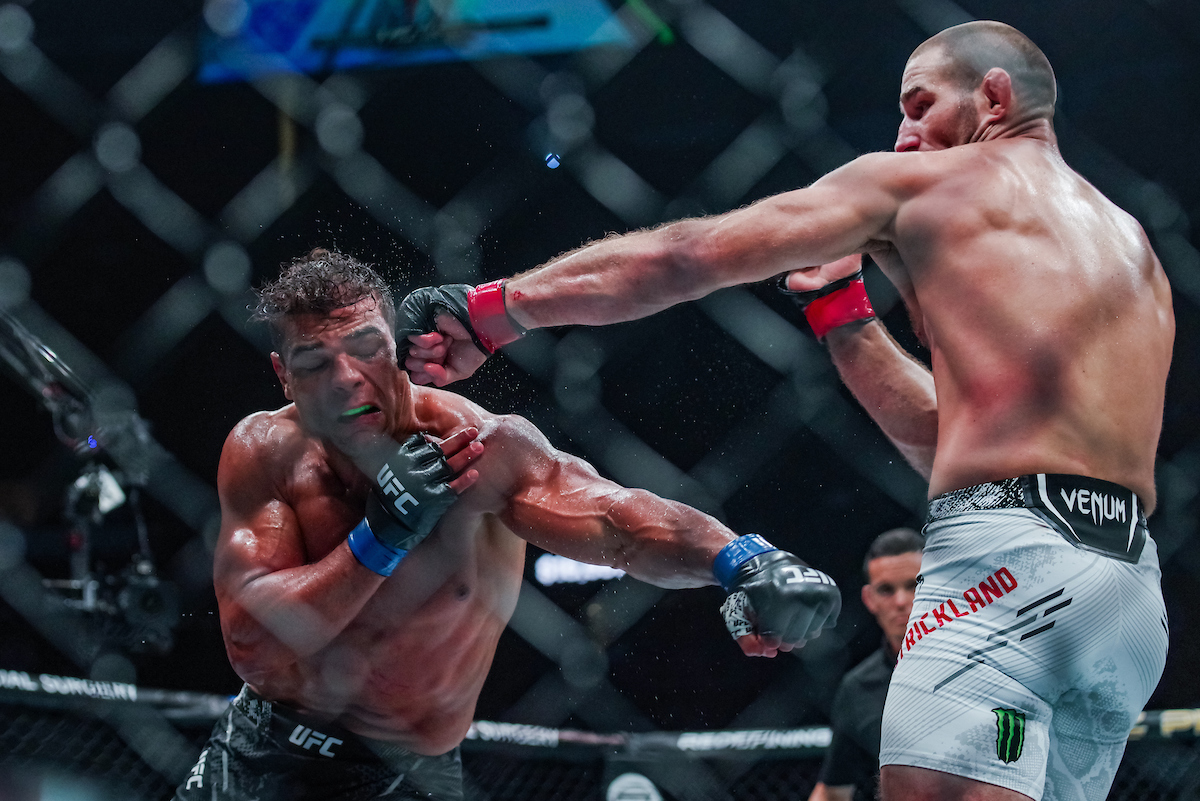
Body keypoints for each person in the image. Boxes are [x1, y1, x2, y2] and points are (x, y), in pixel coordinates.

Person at [397, 20, 1173, 801]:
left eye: (920, 105)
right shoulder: (1130, 243)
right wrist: (842, 315)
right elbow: (955, 441)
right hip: (1129, 596)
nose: (904, 137)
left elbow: (684, 256)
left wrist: (495, 308)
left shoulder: (926, 185)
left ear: (994, 96)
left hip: (1000, 563)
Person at [172, 248, 840, 801]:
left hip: (406, 773)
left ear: (394, 346)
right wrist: (381, 538)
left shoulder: (476, 448)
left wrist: (741, 558)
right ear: (284, 376)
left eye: (365, 346)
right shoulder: (266, 450)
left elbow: (614, 519)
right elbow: (254, 648)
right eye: (315, 361)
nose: (346, 378)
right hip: (267, 749)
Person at [810, 528, 923, 801]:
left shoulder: (989, 663)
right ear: (869, 600)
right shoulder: (859, 689)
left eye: (914, 585)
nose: (901, 601)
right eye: (886, 590)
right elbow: (832, 793)